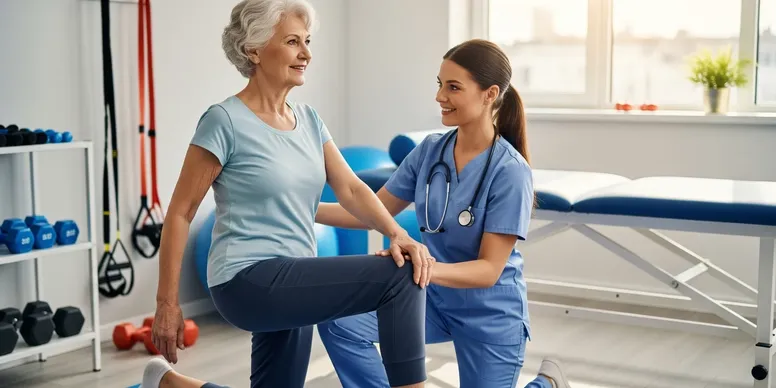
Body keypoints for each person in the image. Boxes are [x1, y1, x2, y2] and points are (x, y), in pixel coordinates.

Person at [139, 1, 435, 387]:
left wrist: (396, 232)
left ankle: (170, 384)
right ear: (254, 49)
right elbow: (180, 211)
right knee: (398, 276)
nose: (306, 53)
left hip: (295, 275)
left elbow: (349, 188)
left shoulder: (309, 120)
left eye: (308, 41)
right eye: (293, 41)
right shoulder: (224, 121)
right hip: (246, 279)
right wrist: (167, 303)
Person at [313, 39, 573, 388]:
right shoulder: (430, 151)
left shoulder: (510, 171)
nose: (439, 96)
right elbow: (372, 212)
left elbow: (488, 270)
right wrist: (303, 209)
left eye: (453, 87)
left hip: (490, 314)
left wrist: (423, 267)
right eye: (439, 84)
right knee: (339, 322)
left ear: (489, 94)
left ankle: (546, 384)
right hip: (433, 302)